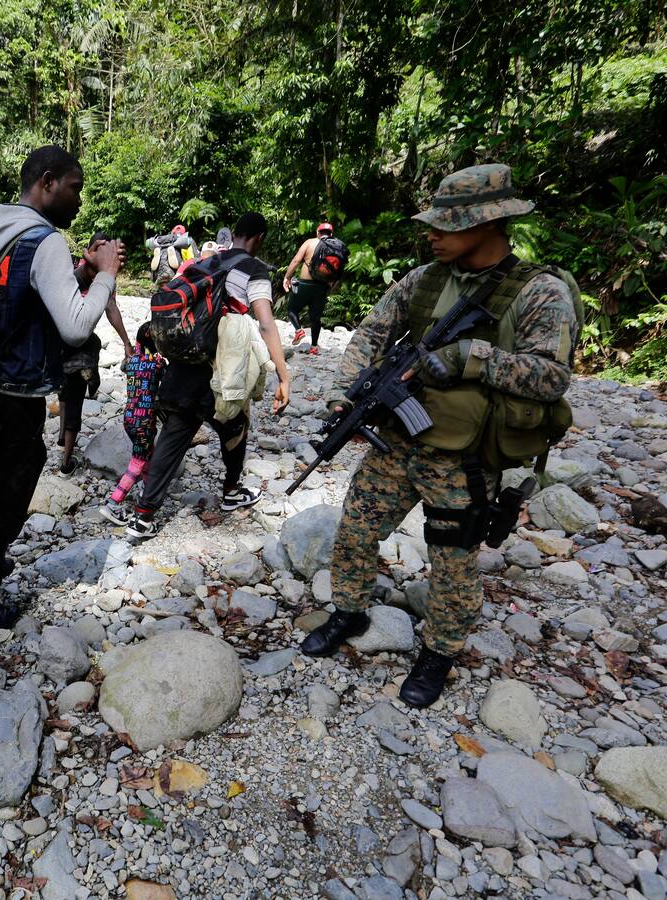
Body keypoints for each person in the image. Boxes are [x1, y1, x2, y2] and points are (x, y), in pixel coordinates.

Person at [302, 164, 579, 708]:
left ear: (489, 223)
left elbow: (552, 377)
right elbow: (370, 335)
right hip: (399, 441)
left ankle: (440, 650)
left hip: (465, 455)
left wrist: (471, 358)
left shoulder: (539, 292)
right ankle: (349, 611)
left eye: (446, 224)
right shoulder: (425, 279)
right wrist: (347, 392)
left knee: (450, 558)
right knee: (356, 529)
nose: (431, 233)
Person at [0, 146, 121, 635]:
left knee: (8, 474)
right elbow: (73, 327)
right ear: (47, 182)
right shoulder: (44, 239)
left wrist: (84, 274)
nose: (79, 201)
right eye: (74, 188)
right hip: (20, 388)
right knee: (14, 485)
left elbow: (29, 297)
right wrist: (107, 275)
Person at [122, 213, 291, 537]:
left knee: (174, 435)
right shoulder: (252, 268)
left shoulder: (205, 262)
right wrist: (283, 376)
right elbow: (266, 322)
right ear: (258, 238)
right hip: (218, 369)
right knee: (236, 425)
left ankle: (143, 517)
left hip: (184, 364)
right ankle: (231, 491)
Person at [60, 232, 133, 474]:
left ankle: (62, 438)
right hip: (78, 344)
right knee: (75, 396)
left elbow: (111, 307)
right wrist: (126, 343)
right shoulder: (92, 272)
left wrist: (125, 342)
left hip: (59, 341)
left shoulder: (86, 270)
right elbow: (111, 308)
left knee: (65, 391)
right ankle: (66, 462)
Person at [99, 322, 164, 525]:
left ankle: (145, 493)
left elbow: (131, 359)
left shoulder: (131, 361)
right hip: (145, 420)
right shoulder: (159, 364)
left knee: (147, 455)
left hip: (129, 417)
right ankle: (113, 503)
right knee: (137, 461)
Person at [282, 222, 339, 354]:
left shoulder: (310, 242)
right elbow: (339, 271)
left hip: (305, 285)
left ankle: (298, 330)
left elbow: (296, 260)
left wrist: (287, 277)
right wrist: (331, 288)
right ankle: (314, 347)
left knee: (292, 309)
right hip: (322, 287)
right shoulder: (336, 247)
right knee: (316, 318)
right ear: (331, 234)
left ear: (317, 232)